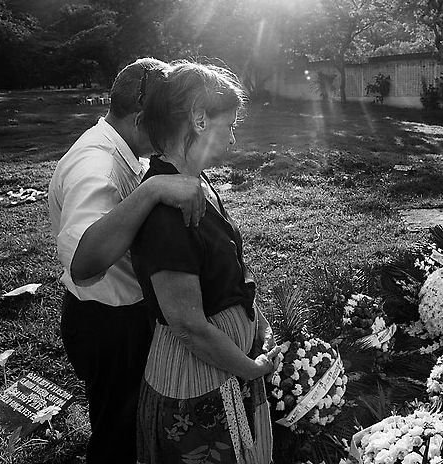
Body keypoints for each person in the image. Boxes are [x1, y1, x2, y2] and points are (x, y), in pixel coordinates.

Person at [48, 58, 207, 464]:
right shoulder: (95, 165)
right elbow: (84, 263)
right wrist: (151, 191)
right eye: (165, 120)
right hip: (108, 324)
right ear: (142, 118)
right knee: (116, 434)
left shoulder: (122, 149)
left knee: (128, 423)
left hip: (119, 317)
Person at [130, 61, 278, 464]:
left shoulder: (194, 185)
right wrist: (250, 369)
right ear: (198, 119)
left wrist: (257, 325)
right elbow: (189, 327)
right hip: (197, 390)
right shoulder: (168, 211)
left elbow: (225, 273)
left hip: (221, 372)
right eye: (228, 126)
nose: (231, 140)